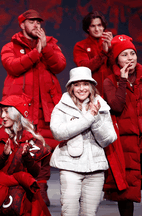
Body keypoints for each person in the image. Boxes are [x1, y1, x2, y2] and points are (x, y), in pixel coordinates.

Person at [0, 9, 66, 206]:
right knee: (19, 150)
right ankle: (19, 190)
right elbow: (13, 66)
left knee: (44, 149)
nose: (36, 25)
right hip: (21, 110)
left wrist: (45, 47)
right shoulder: (9, 46)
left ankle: (42, 188)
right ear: (22, 25)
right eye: (31, 22)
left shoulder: (50, 44)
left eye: (39, 21)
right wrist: (37, 52)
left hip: (45, 108)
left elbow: (60, 65)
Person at [50, 66, 117, 216]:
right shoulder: (61, 107)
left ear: (91, 86)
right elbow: (58, 132)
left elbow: (108, 139)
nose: (81, 88)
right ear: (71, 87)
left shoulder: (101, 106)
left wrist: (96, 119)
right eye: (77, 84)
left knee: (90, 213)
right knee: (69, 212)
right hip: (69, 166)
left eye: (85, 84)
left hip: (96, 167)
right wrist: (88, 118)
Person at [0, 95, 51, 216]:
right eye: (2, 112)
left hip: (25, 194)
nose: (2, 116)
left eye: (7, 111)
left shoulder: (32, 140)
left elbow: (35, 173)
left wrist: (27, 156)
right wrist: (4, 156)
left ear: (17, 114)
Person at [103, 35, 142, 216]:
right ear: (117, 59)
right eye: (124, 55)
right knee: (127, 193)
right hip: (125, 143)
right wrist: (123, 80)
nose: (130, 58)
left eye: (132, 53)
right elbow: (117, 107)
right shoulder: (110, 81)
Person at [73, 11, 113, 95]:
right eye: (93, 26)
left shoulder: (113, 43)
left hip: (112, 91)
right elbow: (85, 68)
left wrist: (111, 49)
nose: (97, 29)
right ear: (88, 28)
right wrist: (103, 53)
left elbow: (118, 66)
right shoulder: (80, 46)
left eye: (99, 25)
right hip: (91, 92)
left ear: (103, 27)